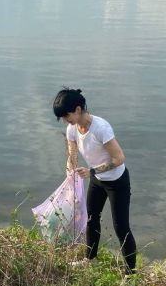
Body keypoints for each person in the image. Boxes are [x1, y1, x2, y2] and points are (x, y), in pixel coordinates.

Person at [52, 88, 137, 273]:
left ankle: (131, 273)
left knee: (121, 227)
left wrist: (92, 171)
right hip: (97, 180)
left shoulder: (101, 128)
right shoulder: (72, 129)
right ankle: (90, 259)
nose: (66, 121)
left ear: (78, 109)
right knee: (91, 218)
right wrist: (70, 172)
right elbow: (72, 156)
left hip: (116, 181)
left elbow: (119, 159)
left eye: (67, 116)